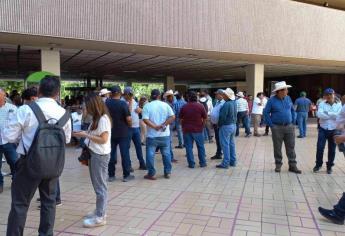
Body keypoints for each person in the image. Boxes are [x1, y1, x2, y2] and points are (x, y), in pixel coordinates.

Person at [4, 76, 71, 236]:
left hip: (28, 165)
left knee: (20, 204)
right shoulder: (64, 113)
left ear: (39, 90)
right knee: (49, 203)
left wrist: (23, 137)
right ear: (57, 93)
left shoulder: (25, 110)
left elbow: (8, 137)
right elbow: (67, 139)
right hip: (53, 166)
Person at [73, 93, 112, 228]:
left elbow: (103, 139)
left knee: (100, 187)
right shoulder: (97, 118)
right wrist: (83, 134)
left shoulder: (103, 119)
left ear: (94, 105)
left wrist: (85, 135)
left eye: (87, 106)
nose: (85, 108)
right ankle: (99, 211)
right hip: (95, 154)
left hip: (99, 156)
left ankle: (100, 217)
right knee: (98, 186)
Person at [263, 81, 301, 174]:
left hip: (289, 127)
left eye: (287, 89)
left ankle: (293, 165)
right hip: (277, 127)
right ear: (280, 91)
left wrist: (292, 121)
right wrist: (271, 125)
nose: (287, 91)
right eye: (285, 89)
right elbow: (266, 113)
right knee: (277, 147)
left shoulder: (288, 98)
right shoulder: (271, 100)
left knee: (291, 147)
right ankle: (278, 165)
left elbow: (292, 110)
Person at [142, 89, 175, 180]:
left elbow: (145, 119)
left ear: (151, 96)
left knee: (150, 154)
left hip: (152, 136)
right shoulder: (165, 105)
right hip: (164, 135)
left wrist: (155, 127)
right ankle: (167, 172)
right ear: (159, 96)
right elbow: (172, 117)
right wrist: (164, 125)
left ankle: (151, 173)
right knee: (166, 154)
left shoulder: (147, 106)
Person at [106, 85, 134, 182]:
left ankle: (111, 175)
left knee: (111, 154)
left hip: (110, 132)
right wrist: (130, 125)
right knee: (124, 154)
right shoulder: (123, 104)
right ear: (119, 93)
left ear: (111, 93)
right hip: (123, 132)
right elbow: (129, 119)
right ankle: (126, 175)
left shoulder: (106, 103)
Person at [313, 88, 342, 174]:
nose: (329, 96)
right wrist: (333, 114)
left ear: (334, 94)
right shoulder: (322, 103)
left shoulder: (339, 104)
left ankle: (329, 166)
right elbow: (319, 114)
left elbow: (338, 117)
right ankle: (318, 165)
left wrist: (327, 113)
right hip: (323, 129)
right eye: (327, 94)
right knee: (320, 148)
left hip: (334, 129)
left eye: (331, 94)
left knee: (332, 149)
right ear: (325, 96)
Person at [179, 91, 207, 168]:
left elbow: (180, 119)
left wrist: (183, 126)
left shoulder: (184, 107)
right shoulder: (200, 106)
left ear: (188, 98)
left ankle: (191, 164)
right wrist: (202, 126)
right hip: (198, 129)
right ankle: (203, 163)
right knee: (200, 146)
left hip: (187, 130)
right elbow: (205, 117)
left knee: (188, 147)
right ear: (196, 97)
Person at [123, 87, 147, 170]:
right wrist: (129, 102)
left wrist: (140, 109)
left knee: (138, 146)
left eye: (131, 94)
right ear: (125, 94)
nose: (130, 95)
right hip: (127, 128)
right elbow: (128, 112)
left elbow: (138, 110)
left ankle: (142, 163)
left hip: (136, 127)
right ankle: (128, 165)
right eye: (129, 94)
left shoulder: (134, 101)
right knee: (126, 147)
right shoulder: (123, 102)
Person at [0, 88, 18, 194]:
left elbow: (17, 124)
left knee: (14, 163)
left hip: (9, 141)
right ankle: (0, 184)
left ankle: (15, 183)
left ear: (4, 96)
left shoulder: (12, 108)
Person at [216, 88, 237, 169]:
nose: (223, 96)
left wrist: (219, 124)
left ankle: (225, 163)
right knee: (231, 144)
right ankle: (233, 161)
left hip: (226, 126)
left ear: (227, 96)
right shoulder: (234, 103)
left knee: (225, 145)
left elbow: (222, 117)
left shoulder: (226, 104)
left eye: (224, 94)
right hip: (233, 125)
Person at [210, 89, 225, 160]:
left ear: (221, 95)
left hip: (220, 125)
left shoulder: (224, 102)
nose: (215, 95)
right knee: (217, 139)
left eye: (217, 94)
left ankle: (220, 153)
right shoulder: (217, 102)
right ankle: (218, 153)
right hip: (216, 124)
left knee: (220, 140)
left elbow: (222, 115)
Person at [164, 90, 178, 163]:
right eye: (172, 96)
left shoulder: (171, 103)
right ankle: (170, 157)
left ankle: (169, 157)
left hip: (170, 125)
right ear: (168, 97)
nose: (173, 98)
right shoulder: (167, 104)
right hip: (168, 124)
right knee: (168, 142)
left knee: (168, 142)